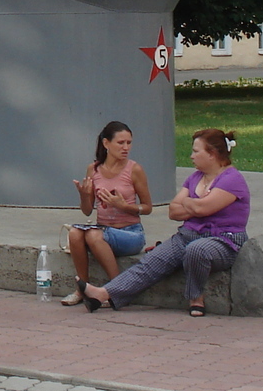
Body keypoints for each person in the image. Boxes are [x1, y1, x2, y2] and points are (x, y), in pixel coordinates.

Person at [80, 129, 249, 317]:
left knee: (197, 250)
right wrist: (193, 205)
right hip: (189, 234)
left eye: (195, 151)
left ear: (212, 154)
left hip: (222, 240)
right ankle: (102, 294)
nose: (191, 156)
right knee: (152, 262)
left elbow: (203, 209)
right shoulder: (195, 177)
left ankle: (196, 298)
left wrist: (188, 203)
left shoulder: (231, 179)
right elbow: (173, 211)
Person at [59, 121, 152, 306]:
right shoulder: (93, 170)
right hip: (103, 230)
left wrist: (124, 206)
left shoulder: (134, 169)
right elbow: (87, 210)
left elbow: (148, 207)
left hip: (130, 233)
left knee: (93, 235)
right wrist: (84, 195)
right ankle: (82, 289)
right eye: (121, 143)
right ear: (106, 143)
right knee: (75, 233)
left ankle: (117, 289)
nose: (126, 148)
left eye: (129, 143)